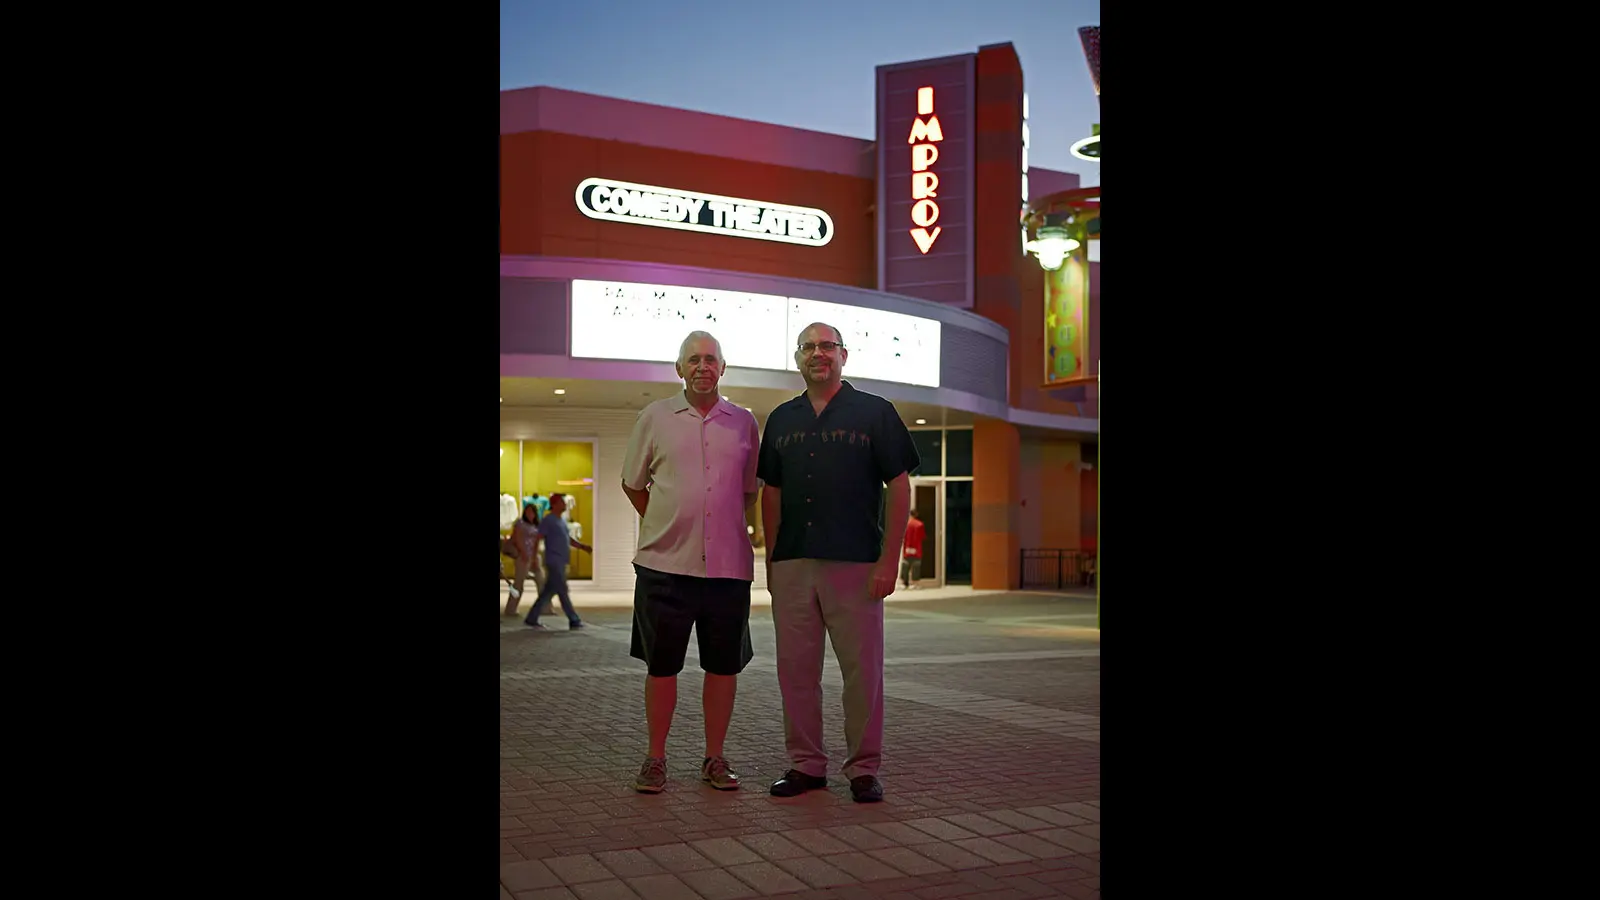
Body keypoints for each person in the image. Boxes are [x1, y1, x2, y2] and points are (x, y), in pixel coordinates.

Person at [758, 322, 918, 803]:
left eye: (826, 346)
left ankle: (863, 769)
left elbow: (901, 486)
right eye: (808, 347)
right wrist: (772, 560)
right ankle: (806, 766)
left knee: (862, 672)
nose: (817, 354)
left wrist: (889, 560)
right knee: (796, 672)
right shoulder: (782, 419)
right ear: (798, 358)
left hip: (857, 564)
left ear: (843, 356)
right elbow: (771, 492)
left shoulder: (875, 413)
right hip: (793, 564)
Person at [621, 330, 760, 794]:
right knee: (661, 667)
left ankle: (714, 757)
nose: (703, 367)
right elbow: (633, 484)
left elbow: (747, 493)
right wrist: (669, 522)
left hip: (728, 571)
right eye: (693, 360)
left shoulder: (744, 423)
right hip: (664, 568)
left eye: (711, 359)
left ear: (724, 367)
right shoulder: (654, 417)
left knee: (723, 667)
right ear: (679, 368)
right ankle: (655, 757)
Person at [524, 492, 591, 630]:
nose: (565, 504)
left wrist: (582, 546)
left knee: (548, 591)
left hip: (561, 560)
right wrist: (534, 559)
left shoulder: (562, 521)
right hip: (554, 561)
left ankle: (532, 617)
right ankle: (574, 619)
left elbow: (568, 539)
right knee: (562, 590)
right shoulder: (548, 520)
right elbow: (538, 539)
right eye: (562, 502)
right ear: (554, 504)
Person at [504, 502, 544, 617]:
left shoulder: (537, 525)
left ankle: (545, 607)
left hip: (534, 556)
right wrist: (523, 553)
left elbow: (537, 540)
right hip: (523, 557)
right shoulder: (520, 523)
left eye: (531, 512)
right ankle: (511, 609)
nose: (529, 514)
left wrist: (535, 556)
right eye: (527, 512)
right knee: (519, 584)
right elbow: (517, 538)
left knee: (541, 581)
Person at [901, 510, 926, 589]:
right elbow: (922, 537)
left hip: (907, 548)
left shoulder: (905, 524)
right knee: (916, 566)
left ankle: (904, 583)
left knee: (905, 565)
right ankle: (915, 583)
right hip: (917, 548)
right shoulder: (920, 524)